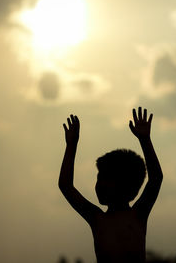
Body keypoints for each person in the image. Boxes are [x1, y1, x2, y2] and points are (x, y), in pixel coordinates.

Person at [58, 107, 163, 263]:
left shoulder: (138, 215)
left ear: (124, 183)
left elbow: (155, 179)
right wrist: (71, 145)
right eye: (99, 179)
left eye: (105, 179)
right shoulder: (97, 218)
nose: (99, 185)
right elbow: (65, 186)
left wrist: (145, 140)